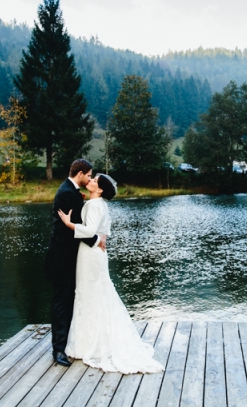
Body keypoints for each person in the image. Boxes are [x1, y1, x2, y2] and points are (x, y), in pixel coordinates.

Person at [58, 174, 165, 374]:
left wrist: (68, 223)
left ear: (99, 190)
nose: (89, 181)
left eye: (94, 181)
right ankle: (90, 341)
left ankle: (90, 344)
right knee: (91, 294)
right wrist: (100, 235)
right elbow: (101, 230)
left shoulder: (96, 205)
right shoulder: (96, 204)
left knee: (90, 294)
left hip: (90, 256)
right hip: (92, 254)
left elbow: (89, 230)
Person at [45, 159, 106, 367]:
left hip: (70, 256)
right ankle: (58, 350)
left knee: (68, 300)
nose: (90, 178)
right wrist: (98, 241)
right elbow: (80, 227)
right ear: (80, 173)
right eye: (89, 175)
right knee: (61, 302)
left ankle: (68, 342)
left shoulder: (70, 191)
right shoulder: (66, 193)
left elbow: (81, 220)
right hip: (62, 257)